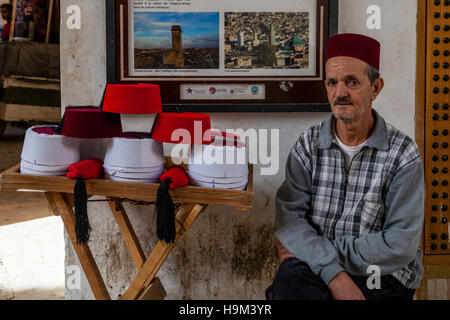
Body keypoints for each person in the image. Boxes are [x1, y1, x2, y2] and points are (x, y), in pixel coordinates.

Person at [266, 33, 425, 300]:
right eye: (332, 83)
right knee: (290, 282)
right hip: (316, 268)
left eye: (352, 82)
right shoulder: (308, 145)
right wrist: (334, 275)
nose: (340, 93)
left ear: (375, 88)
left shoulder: (403, 155)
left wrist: (321, 251)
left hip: (381, 274)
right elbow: (290, 220)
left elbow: (399, 245)